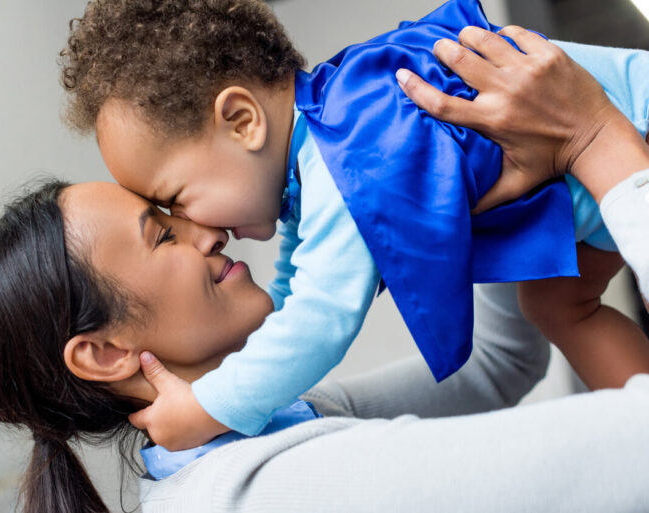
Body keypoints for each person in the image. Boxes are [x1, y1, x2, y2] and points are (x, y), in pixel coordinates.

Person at [59, 0, 649, 450]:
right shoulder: (321, 144)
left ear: (242, 122)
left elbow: (321, 315)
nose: (196, 229)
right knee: (557, 309)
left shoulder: (351, 155)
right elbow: (294, 285)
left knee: (561, 308)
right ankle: (636, 434)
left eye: (176, 200)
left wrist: (209, 406)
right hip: (598, 188)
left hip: (632, 130)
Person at [0, 180, 649, 513]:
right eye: (162, 233)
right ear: (103, 352)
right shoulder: (266, 491)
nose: (207, 228)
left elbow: (497, 368)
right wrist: (619, 168)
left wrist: (482, 187)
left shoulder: (271, 428)